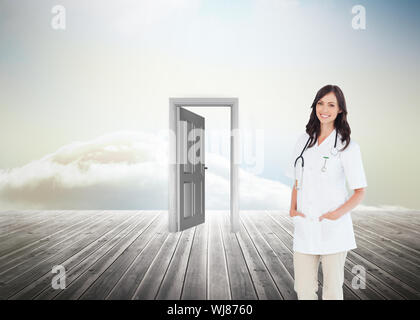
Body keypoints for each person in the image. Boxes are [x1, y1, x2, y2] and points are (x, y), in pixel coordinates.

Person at [285, 84, 367, 300]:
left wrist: (334, 216)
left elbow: (360, 191)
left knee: (332, 291)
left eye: (331, 104)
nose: (325, 109)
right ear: (315, 106)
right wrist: (292, 208)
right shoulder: (303, 140)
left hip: (334, 229)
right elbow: (296, 179)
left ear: (340, 109)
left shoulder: (347, 146)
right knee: (303, 289)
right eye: (321, 103)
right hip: (304, 227)